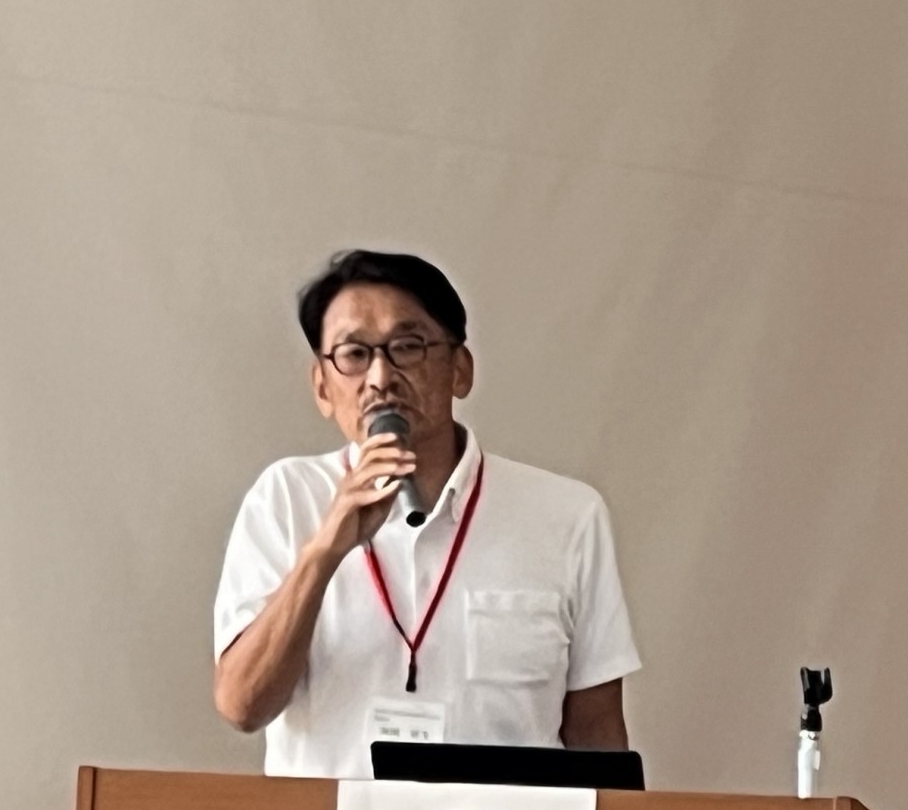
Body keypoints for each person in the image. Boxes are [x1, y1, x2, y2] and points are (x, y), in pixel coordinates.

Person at [214, 250, 639, 776]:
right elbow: (242, 705)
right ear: (323, 388)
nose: (380, 377)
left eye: (407, 347)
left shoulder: (566, 515)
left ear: (460, 370)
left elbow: (597, 736)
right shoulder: (285, 498)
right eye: (354, 354)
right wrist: (324, 552)